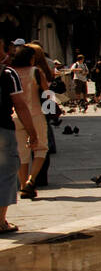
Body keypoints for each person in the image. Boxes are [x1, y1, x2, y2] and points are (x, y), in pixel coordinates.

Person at [0, 46, 40, 234]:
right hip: (2, 129)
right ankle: (0, 221)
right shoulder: (7, 73)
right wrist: (32, 132)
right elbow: (20, 105)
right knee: (6, 173)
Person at [8, 46, 49, 200]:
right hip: (35, 114)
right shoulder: (36, 71)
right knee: (41, 148)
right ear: (30, 58)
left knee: (21, 152)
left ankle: (23, 186)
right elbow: (47, 93)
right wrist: (50, 110)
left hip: (15, 116)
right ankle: (31, 180)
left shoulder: (11, 72)